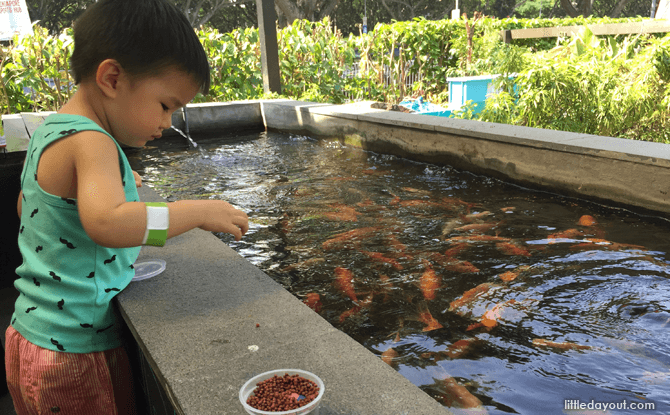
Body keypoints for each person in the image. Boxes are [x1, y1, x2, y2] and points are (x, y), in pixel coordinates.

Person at [4, 0, 249, 414]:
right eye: (166, 105)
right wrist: (194, 212)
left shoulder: (52, 130)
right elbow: (107, 223)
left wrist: (101, 183)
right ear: (112, 78)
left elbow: (27, 204)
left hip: (29, 337)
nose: (168, 122)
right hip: (74, 352)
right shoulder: (94, 141)